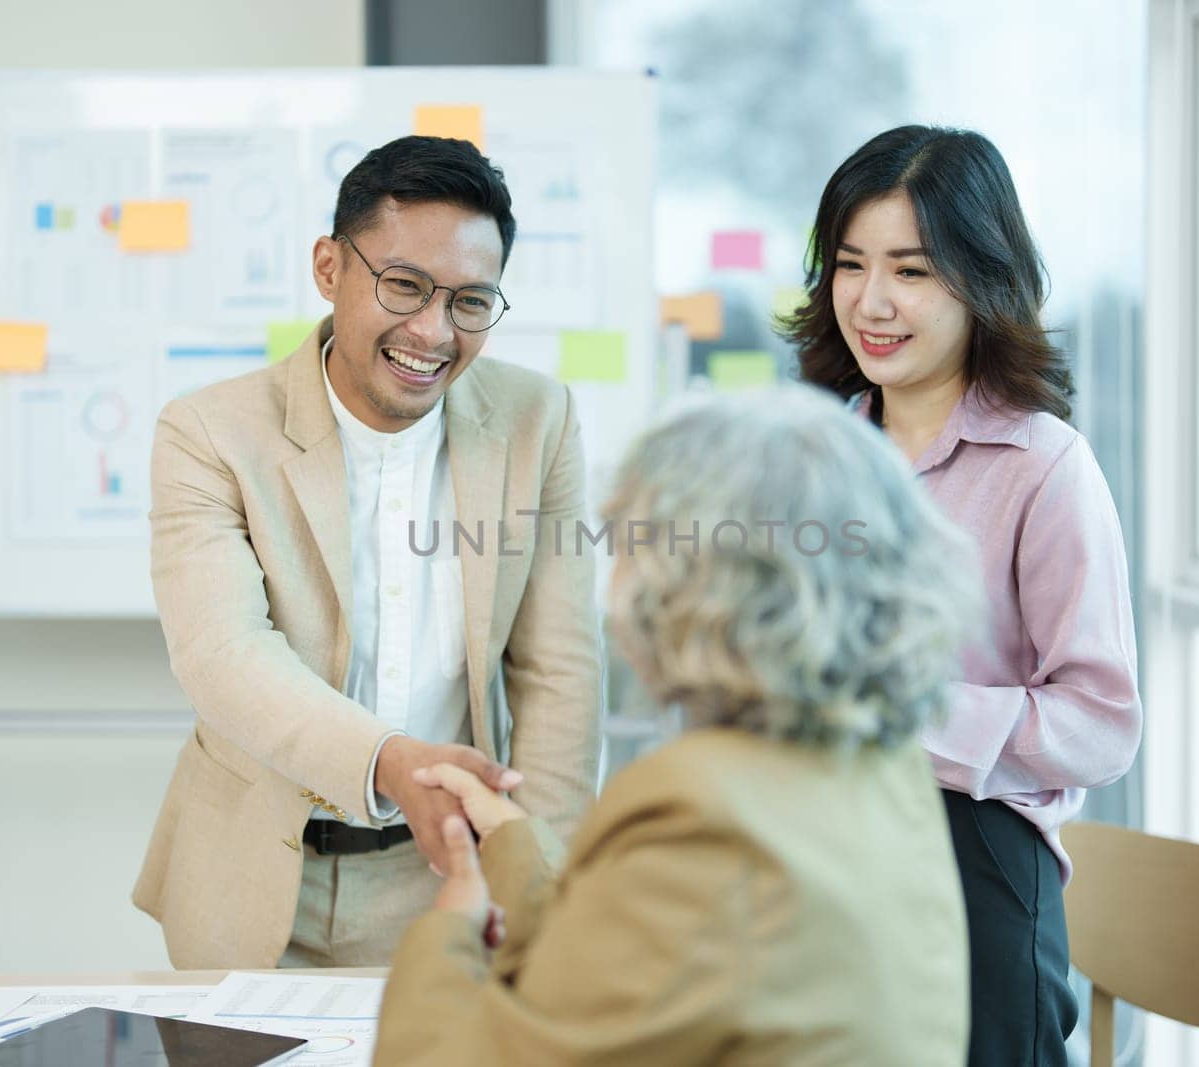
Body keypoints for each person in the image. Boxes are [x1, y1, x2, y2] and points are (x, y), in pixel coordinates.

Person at [373, 385, 980, 1066]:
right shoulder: (881, 768)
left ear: (693, 582)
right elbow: (634, 965)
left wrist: (449, 930)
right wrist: (510, 840)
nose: (616, 583)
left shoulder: (702, 810)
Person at [132, 135, 604, 969]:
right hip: (255, 873)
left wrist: (541, 878)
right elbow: (223, 654)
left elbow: (560, 671)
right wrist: (392, 763)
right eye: (404, 285)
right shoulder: (210, 431)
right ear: (329, 267)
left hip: (450, 876)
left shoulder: (540, 420)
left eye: (469, 302)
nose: (432, 330)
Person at [782, 124, 1144, 1065]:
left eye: (912, 270)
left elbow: (1103, 723)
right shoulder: (818, 457)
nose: (872, 301)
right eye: (850, 264)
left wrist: (898, 716)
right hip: (819, 852)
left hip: (972, 867)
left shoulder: (1044, 465)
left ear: (980, 278)